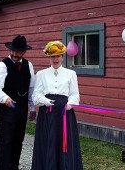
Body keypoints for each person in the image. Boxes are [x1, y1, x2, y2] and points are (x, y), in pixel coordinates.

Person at [31, 41, 83, 170]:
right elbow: (36, 96)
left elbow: (75, 95)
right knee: (48, 141)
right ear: (49, 57)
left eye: (58, 56)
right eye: (53, 56)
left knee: (64, 143)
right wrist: (45, 101)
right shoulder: (41, 74)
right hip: (47, 112)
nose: (56, 59)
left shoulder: (71, 74)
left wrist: (70, 104)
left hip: (64, 113)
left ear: (62, 57)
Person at [0, 35, 36, 170]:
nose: (15, 54)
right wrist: (6, 99)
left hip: (22, 108)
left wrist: (32, 108)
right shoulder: (1, 66)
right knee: (5, 141)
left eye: (18, 51)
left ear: (24, 52)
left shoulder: (29, 65)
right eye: (13, 51)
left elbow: (31, 88)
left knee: (18, 140)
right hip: (7, 109)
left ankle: (13, 167)